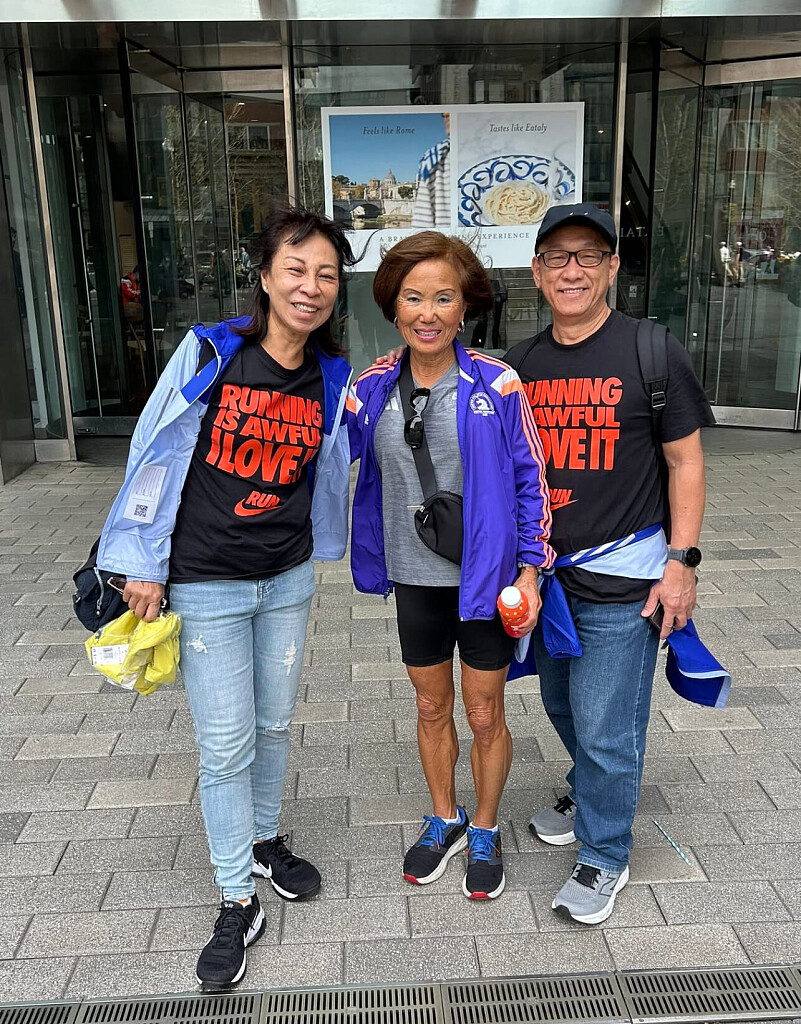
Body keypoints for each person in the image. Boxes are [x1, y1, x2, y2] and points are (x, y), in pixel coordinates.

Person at [96, 209, 355, 989]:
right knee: (225, 744)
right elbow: (154, 450)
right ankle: (237, 897)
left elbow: (331, 464)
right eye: (295, 270)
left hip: (286, 578)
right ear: (265, 276)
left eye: (326, 275)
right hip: (205, 578)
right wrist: (140, 561)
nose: (310, 287)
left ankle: (264, 841)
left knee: (273, 723)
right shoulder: (212, 352)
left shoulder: (331, 373)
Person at [504, 202, 715, 925]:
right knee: (562, 706)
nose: (572, 270)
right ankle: (592, 791)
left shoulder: (650, 350)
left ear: (611, 268)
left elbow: (685, 462)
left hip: (626, 581)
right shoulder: (519, 366)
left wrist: (681, 563)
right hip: (549, 582)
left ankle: (605, 852)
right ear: (536, 272)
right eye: (557, 257)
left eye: (588, 256)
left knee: (605, 725)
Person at [347, 231, 554, 901]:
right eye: (413, 298)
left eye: (443, 297)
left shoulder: (497, 383)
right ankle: (446, 816)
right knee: (431, 705)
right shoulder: (371, 386)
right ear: (392, 305)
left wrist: (530, 570)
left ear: (464, 307)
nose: (427, 313)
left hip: (486, 580)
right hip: (415, 577)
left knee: (485, 713)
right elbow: (321, 457)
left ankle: (486, 826)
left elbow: (530, 481)